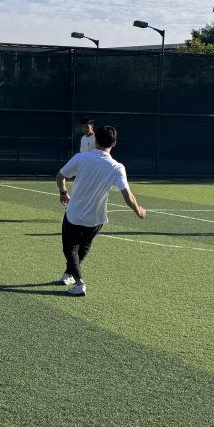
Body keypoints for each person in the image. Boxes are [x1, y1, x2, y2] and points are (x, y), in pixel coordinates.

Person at [55, 124, 146, 297]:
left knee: (71, 249)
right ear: (114, 143)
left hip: (74, 214)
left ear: (95, 140)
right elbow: (127, 195)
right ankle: (69, 274)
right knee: (84, 246)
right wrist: (138, 210)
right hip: (96, 219)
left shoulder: (81, 157)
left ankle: (79, 283)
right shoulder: (117, 167)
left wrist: (63, 193)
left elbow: (60, 176)